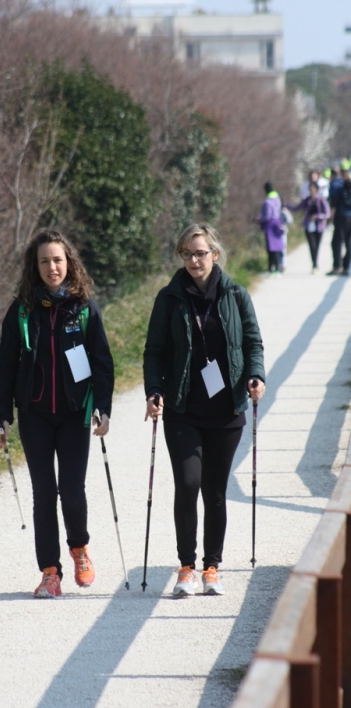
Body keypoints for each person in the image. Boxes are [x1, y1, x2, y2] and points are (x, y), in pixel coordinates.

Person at [143, 223, 265, 597]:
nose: (195, 260)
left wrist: (255, 376)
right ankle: (186, 566)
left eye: (201, 252)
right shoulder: (169, 298)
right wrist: (154, 390)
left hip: (227, 411)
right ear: (181, 257)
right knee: (188, 483)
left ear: (215, 254)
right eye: (188, 253)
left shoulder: (236, 295)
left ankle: (212, 567)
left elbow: (252, 342)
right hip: (183, 408)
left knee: (214, 490)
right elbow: (154, 351)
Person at [0, 229, 114, 599]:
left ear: (69, 262)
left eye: (58, 260)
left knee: (72, 492)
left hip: (75, 414)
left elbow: (102, 362)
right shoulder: (22, 310)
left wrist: (103, 408)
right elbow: (6, 366)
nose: (52, 267)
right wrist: (2, 415)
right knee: (44, 494)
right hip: (35, 415)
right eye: (44, 261)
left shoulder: (84, 307)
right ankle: (50, 572)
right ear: (36, 266)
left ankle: (79, 548)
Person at [286, 181, 330, 272]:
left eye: (312, 189)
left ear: (317, 189)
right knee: (312, 246)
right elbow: (296, 208)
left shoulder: (321, 200)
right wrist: (286, 205)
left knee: (317, 246)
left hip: (319, 226)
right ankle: (314, 265)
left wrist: (317, 216)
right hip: (309, 226)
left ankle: (315, 264)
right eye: (310, 189)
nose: (311, 191)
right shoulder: (307, 200)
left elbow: (327, 213)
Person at [328, 161, 351, 277]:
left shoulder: (337, 183)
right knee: (349, 242)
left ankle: (337, 266)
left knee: (336, 242)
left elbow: (334, 202)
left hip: (342, 216)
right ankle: (346, 267)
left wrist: (331, 215)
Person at [256, 182, 285, 273]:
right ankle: (278, 266)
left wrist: (259, 218)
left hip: (270, 225)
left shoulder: (268, 201)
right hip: (278, 223)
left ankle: (272, 268)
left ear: (265, 190)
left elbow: (267, 216)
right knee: (277, 246)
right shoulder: (277, 198)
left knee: (271, 248)